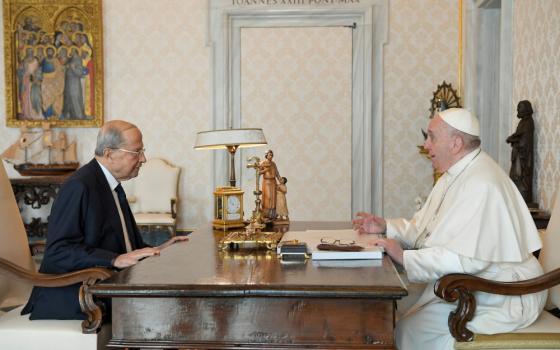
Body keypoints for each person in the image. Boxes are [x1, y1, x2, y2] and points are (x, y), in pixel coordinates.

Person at [352, 108, 546, 350]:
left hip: (506, 295)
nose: (425, 145)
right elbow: (425, 229)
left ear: (455, 144)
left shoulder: (482, 184)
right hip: (476, 286)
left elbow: (468, 259)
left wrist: (403, 256)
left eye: (431, 137)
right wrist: (386, 226)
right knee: (384, 311)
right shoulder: (452, 176)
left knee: (406, 328)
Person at [21, 120, 188, 320]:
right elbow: (58, 251)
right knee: (167, 307)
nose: (143, 158)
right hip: (75, 293)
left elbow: (127, 247)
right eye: (137, 152)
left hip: (105, 283)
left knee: (174, 290)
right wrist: (113, 259)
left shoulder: (113, 185)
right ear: (110, 154)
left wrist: (161, 248)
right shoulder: (78, 186)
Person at [506, 100, 535, 203]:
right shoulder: (522, 122)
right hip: (517, 156)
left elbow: (524, 142)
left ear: (526, 109)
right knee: (514, 177)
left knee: (520, 178)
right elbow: (519, 135)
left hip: (523, 158)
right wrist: (512, 138)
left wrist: (513, 140)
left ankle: (523, 197)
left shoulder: (528, 122)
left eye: (520, 107)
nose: (517, 109)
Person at [259, 150, 282, 220]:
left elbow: (277, 172)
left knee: (273, 197)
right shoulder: (263, 163)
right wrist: (265, 170)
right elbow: (258, 172)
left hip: (273, 182)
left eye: (272, 155)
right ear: (266, 155)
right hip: (267, 182)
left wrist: (280, 179)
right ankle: (266, 214)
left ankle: (273, 214)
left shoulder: (273, 164)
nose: (271, 156)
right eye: (269, 155)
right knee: (268, 197)